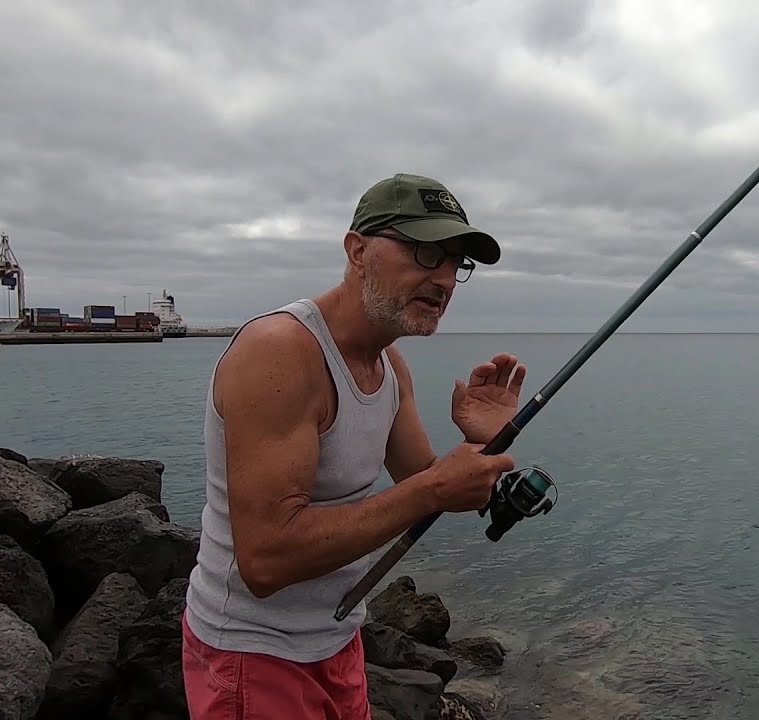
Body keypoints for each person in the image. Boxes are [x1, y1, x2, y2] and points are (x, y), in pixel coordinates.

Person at [180, 172, 526, 719]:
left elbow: (431, 485)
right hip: (252, 652)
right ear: (357, 249)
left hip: (337, 637)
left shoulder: (390, 366)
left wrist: (482, 444)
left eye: (456, 262)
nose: (443, 280)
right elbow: (265, 561)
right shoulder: (281, 353)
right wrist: (435, 488)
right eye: (424, 252)